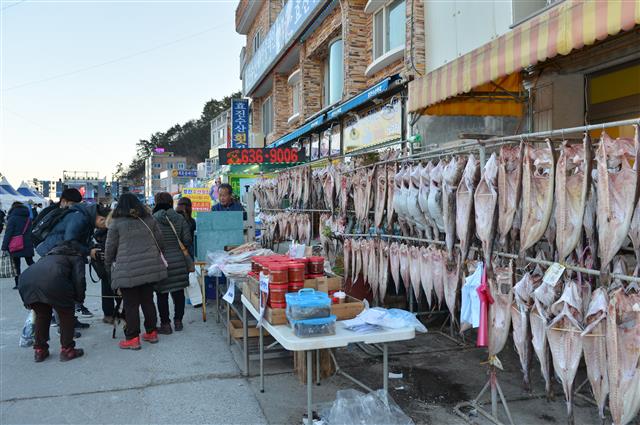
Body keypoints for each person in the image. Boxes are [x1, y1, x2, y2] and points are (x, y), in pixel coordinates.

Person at [105, 193, 168, 350]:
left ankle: (132, 338)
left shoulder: (116, 223)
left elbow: (110, 248)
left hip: (127, 270)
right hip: (150, 268)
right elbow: (161, 242)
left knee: (131, 304)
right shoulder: (148, 220)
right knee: (148, 300)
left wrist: (108, 264)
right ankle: (151, 332)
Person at [36, 201, 110, 318]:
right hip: (55, 253)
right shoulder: (80, 217)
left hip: (62, 253)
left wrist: (90, 247)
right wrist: (88, 251)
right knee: (62, 288)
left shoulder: (86, 218)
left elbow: (80, 239)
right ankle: (60, 321)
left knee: (68, 288)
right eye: (106, 223)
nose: (106, 227)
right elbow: (70, 240)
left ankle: (68, 320)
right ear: (101, 218)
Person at [18, 241, 86, 362]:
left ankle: (40, 350)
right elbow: (79, 280)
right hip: (53, 283)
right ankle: (67, 349)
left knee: (42, 314)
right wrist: (79, 299)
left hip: (26, 282)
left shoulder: (47, 256)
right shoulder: (76, 257)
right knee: (66, 314)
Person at [153, 192, 192, 334]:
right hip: (179, 260)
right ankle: (178, 321)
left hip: (161, 262)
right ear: (171, 202)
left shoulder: (153, 219)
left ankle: (165, 324)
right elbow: (187, 240)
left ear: (157, 203)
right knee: (178, 292)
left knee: (161, 294)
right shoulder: (180, 218)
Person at [2, 202, 35, 289]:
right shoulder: (28, 219)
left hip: (15, 244)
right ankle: (38, 278)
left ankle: (18, 283)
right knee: (30, 262)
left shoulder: (12, 218)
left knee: (16, 265)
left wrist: (4, 247)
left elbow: (8, 233)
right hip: (27, 243)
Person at [91, 227, 116, 324]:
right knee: (113, 286)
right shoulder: (112, 228)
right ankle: (114, 313)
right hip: (113, 261)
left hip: (107, 263)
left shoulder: (104, 230)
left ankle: (109, 314)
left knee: (107, 286)